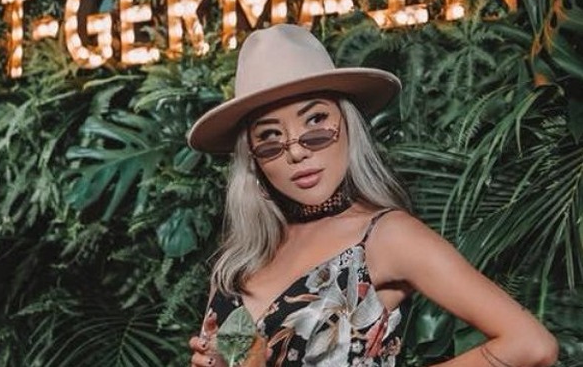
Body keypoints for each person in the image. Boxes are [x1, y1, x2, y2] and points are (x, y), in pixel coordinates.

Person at [186, 24, 558, 367]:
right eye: (270, 137)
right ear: (253, 159)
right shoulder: (239, 261)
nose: (297, 151)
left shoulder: (385, 236)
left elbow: (530, 344)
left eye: (315, 122)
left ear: (348, 126)